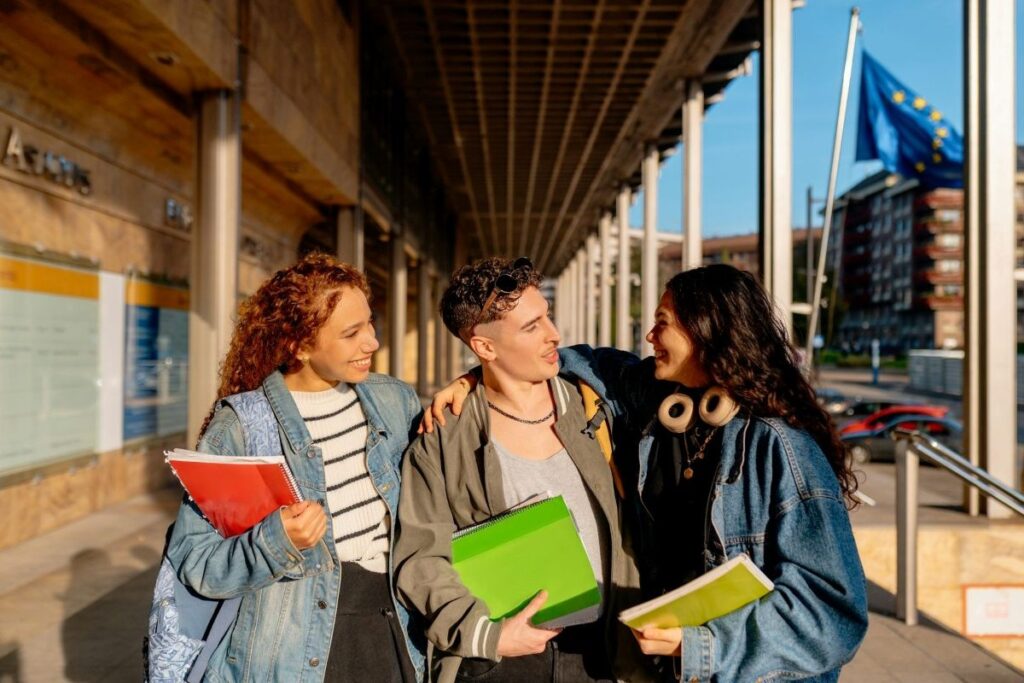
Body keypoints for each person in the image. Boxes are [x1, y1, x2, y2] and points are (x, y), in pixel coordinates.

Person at [429, 264, 868, 682]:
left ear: (706, 331)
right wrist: (477, 375)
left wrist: (701, 646)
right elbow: (568, 360)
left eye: (663, 323)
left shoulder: (779, 447)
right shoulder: (659, 406)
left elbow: (832, 613)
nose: (649, 335)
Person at [165, 253, 425, 682]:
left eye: (370, 323)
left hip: (394, 629)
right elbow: (196, 563)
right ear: (300, 346)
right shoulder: (241, 429)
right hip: (292, 649)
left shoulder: (395, 401)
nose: (372, 342)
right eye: (351, 333)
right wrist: (276, 540)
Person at [392, 257, 650, 683]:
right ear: (485, 348)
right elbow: (421, 559)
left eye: (546, 317)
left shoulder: (598, 407)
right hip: (501, 660)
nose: (554, 336)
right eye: (531, 328)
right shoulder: (443, 438)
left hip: (603, 654)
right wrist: (486, 635)